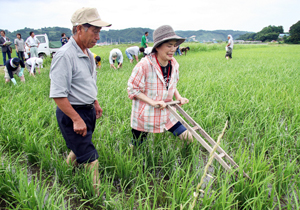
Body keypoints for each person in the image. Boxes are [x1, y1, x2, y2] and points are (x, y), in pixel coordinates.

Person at [49, 7, 111, 194]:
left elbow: (86, 83)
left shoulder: (88, 54)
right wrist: (76, 119)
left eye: (99, 32)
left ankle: (64, 175)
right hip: (72, 112)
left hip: (87, 110)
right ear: (79, 29)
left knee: (78, 149)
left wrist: (95, 102)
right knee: (91, 159)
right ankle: (98, 198)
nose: (97, 37)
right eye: (94, 31)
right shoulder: (65, 55)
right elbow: (58, 95)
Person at [127, 25, 193, 146]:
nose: (173, 49)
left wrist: (178, 97)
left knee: (188, 137)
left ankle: (186, 158)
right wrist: (152, 102)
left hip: (166, 111)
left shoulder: (174, 64)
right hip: (145, 113)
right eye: (169, 45)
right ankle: (131, 163)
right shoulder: (144, 65)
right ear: (157, 46)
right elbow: (133, 89)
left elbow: (171, 84)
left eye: (175, 45)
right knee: (137, 145)